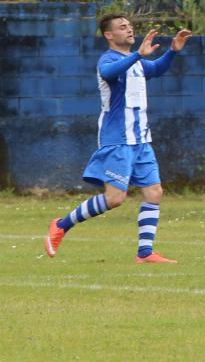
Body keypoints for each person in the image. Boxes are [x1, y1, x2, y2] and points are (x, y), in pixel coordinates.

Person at [44, 14, 192, 264]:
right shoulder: (109, 60)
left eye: (130, 26)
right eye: (122, 27)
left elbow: (155, 68)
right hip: (118, 140)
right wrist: (138, 55)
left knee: (154, 192)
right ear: (109, 35)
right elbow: (110, 72)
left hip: (142, 139)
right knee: (115, 199)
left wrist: (173, 52)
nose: (129, 30)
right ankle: (61, 225)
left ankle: (144, 253)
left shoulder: (137, 62)